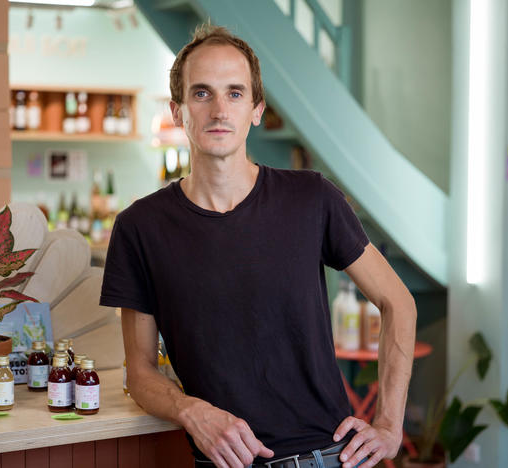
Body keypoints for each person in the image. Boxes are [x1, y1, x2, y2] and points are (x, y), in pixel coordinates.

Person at [100, 23, 417, 468]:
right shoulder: (139, 227)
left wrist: (388, 424)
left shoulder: (312, 198)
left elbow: (398, 302)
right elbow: (141, 372)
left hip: (325, 457)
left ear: (256, 110)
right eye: (201, 93)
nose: (218, 110)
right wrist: (193, 410)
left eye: (234, 93)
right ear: (177, 111)